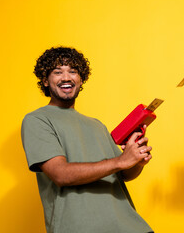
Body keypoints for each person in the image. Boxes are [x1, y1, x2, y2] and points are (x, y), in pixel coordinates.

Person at [21, 46, 154, 233]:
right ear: (45, 80)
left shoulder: (97, 125)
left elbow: (123, 174)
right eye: (57, 72)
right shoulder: (37, 120)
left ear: (81, 79)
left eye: (73, 71)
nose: (66, 77)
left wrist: (136, 160)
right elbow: (60, 174)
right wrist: (120, 161)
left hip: (131, 227)